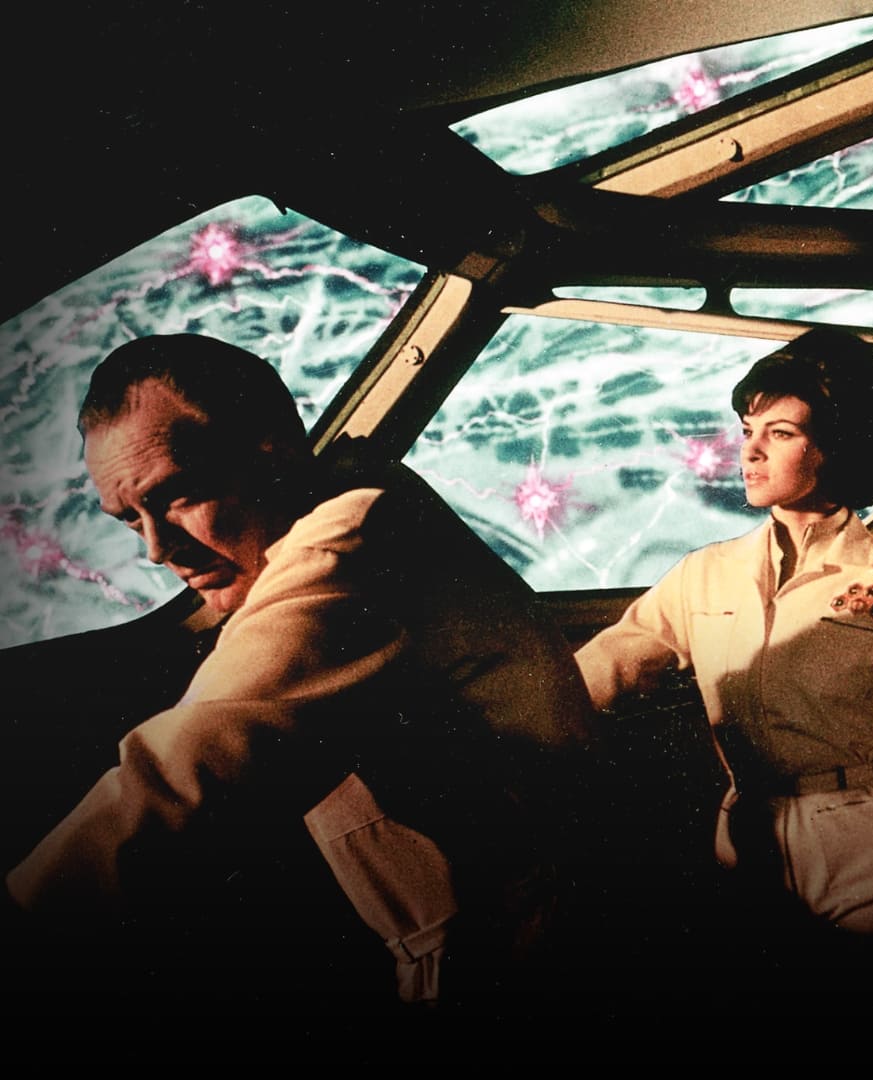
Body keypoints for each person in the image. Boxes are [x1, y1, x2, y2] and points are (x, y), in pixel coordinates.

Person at [2, 334, 601, 1026]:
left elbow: (195, 758)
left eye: (177, 496)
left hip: (507, 959)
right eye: (130, 521)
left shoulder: (353, 541)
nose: (157, 549)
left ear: (275, 453)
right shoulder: (337, 515)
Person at [572, 328, 873, 1007]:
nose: (749, 451)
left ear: (835, 446)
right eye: (748, 430)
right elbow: (608, 663)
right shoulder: (704, 574)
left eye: (779, 433)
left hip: (861, 846)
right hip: (743, 838)